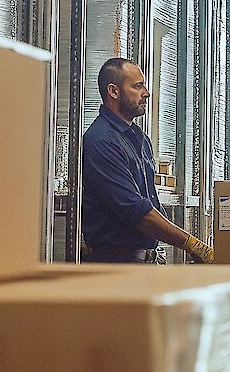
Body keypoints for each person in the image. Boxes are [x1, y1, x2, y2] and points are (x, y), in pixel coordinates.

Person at [79, 58, 215, 264]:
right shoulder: (101, 140)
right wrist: (192, 245)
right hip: (114, 267)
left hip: (142, 264)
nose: (146, 93)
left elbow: (150, 202)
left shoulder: (139, 138)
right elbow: (135, 211)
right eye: (137, 86)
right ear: (114, 91)